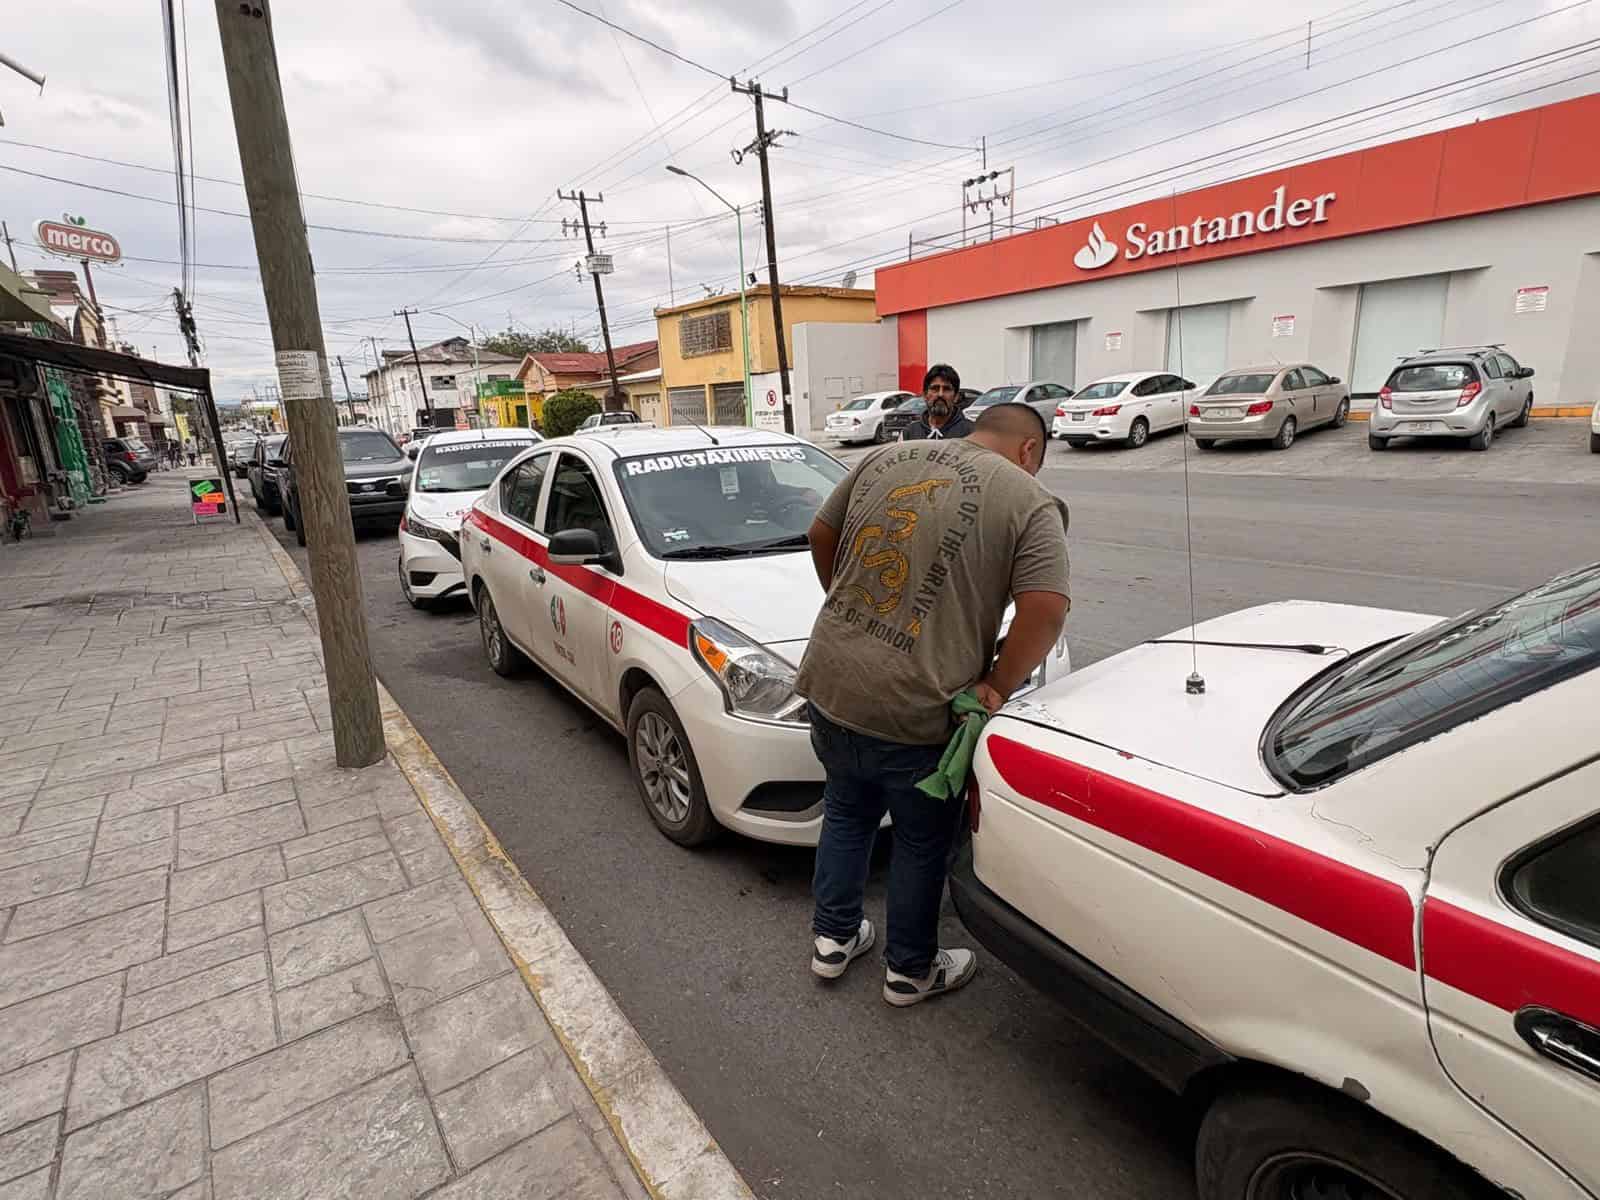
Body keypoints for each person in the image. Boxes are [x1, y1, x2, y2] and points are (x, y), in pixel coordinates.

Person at [796, 402, 1070, 1006]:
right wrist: (996, 684)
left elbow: (820, 534)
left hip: (832, 681)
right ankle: (909, 971)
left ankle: (833, 940)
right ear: (1029, 450)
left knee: (846, 809)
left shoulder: (885, 457)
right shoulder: (1027, 500)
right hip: (916, 707)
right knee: (921, 840)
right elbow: (1046, 607)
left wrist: (856, 613)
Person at [898, 363, 974, 441]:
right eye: (935, 388)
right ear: (924, 395)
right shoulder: (909, 434)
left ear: (956, 397)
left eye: (947, 389)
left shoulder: (972, 433)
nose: (940, 394)